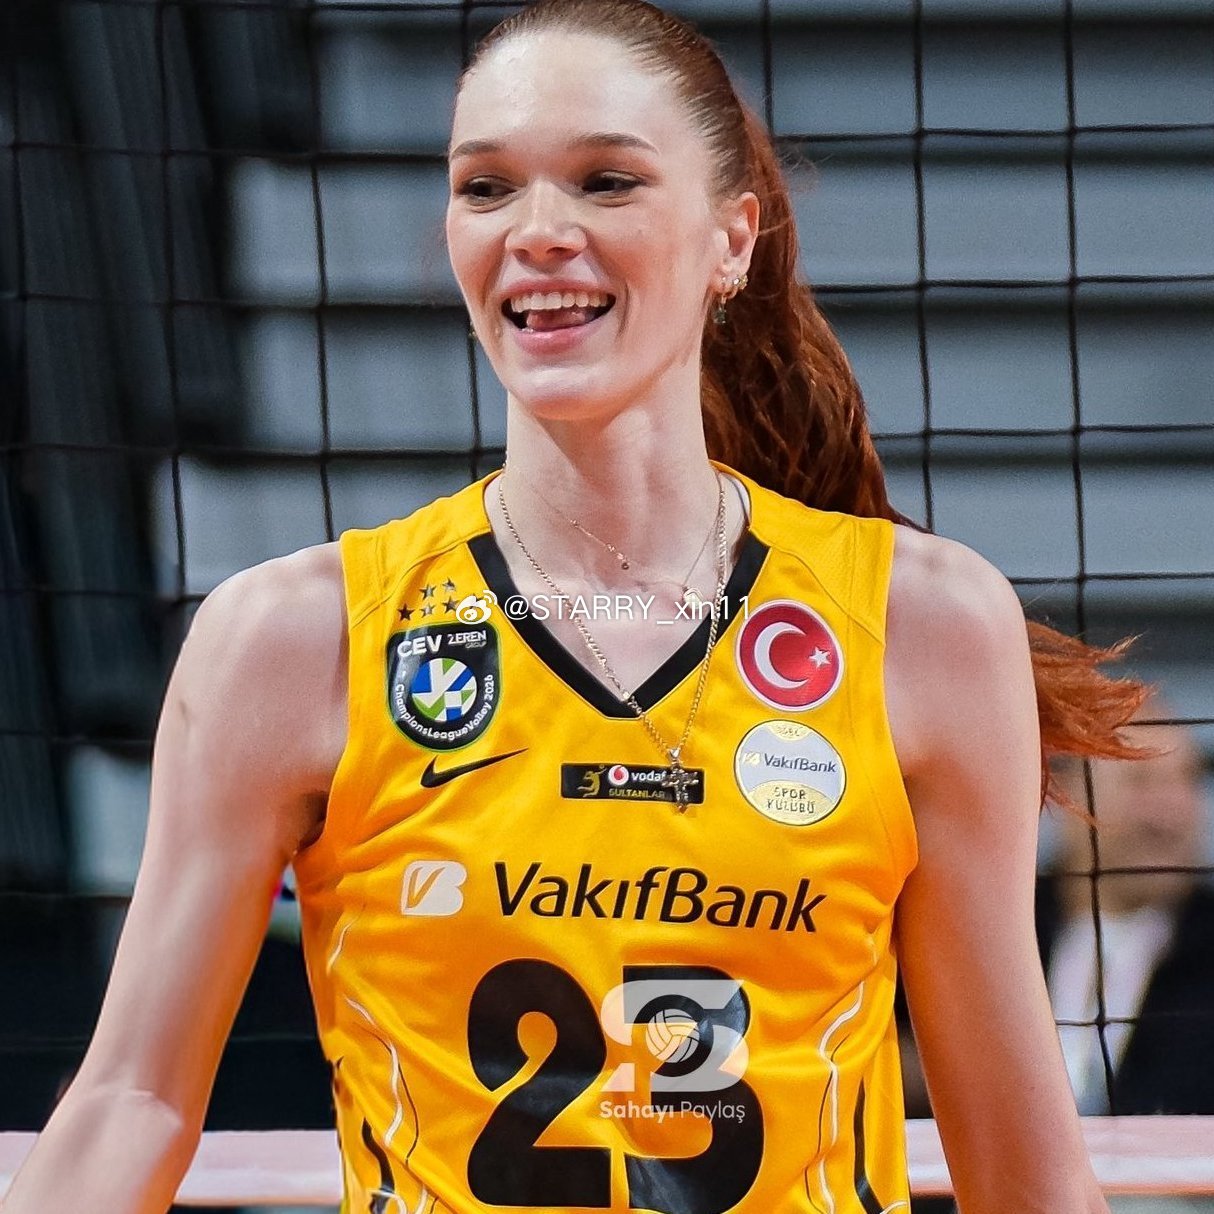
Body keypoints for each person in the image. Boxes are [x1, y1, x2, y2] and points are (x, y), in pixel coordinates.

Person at [2, 1, 1148, 1211]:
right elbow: (133, 1097)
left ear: (730, 240)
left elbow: (1019, 1161)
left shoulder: (921, 624)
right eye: (485, 187)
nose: (537, 231)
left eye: (606, 181)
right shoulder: (296, 637)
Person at [1042, 708, 1214, 1119]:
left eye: (1188, 780)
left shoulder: (1205, 951)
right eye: (1142, 781)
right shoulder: (989, 933)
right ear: (1065, 795)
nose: (1171, 812)